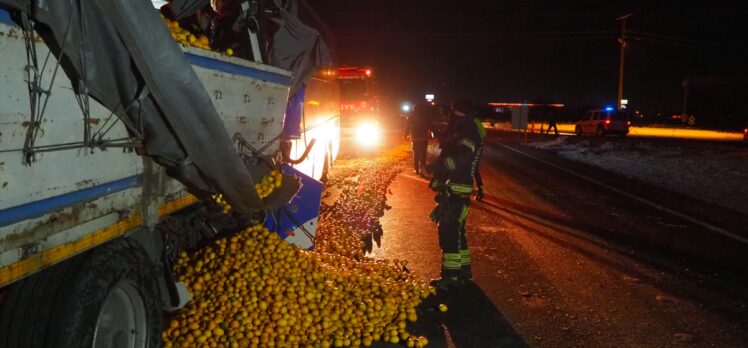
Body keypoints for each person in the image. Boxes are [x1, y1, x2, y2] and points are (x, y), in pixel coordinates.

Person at [426, 98, 486, 289]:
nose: (450, 114)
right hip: (455, 188)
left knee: (449, 233)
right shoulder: (463, 129)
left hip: (458, 190)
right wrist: (439, 177)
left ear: (459, 112)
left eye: (453, 111)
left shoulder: (468, 131)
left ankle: (451, 276)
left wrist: (439, 165)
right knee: (457, 231)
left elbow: (460, 158)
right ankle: (463, 271)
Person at [405, 103, 432, 175]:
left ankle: (416, 169)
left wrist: (405, 135)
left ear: (414, 109)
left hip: (415, 138)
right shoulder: (425, 117)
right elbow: (430, 126)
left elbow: (407, 127)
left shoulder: (411, 117)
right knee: (423, 154)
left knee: (416, 154)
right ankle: (422, 169)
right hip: (424, 139)